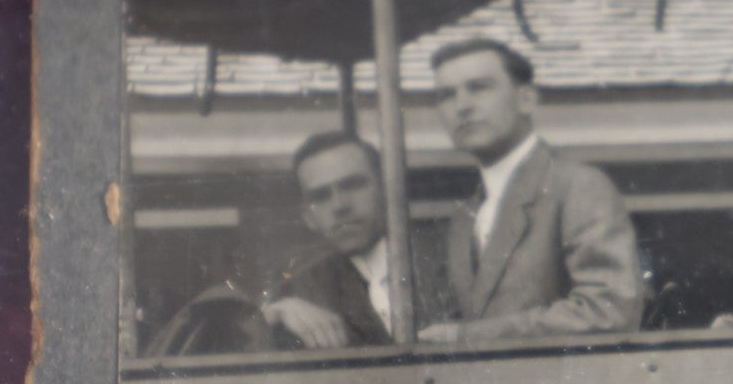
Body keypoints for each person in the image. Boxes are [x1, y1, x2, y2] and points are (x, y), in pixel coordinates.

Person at [416, 38, 645, 347]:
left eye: (479, 87)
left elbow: (610, 310)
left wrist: (469, 336)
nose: (462, 106)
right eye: (447, 95)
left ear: (526, 99)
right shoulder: (466, 215)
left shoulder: (578, 186)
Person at [262, 131, 398, 349]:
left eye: (353, 185)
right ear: (309, 217)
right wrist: (274, 314)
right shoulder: (301, 288)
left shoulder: (445, 262)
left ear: (385, 191)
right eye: (321, 196)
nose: (340, 206)